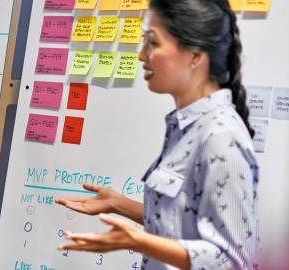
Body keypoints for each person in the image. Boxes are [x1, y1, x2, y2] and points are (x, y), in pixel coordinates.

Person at [55, 0, 259, 269]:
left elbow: (235, 260)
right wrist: (119, 204)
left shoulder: (220, 136)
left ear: (195, 55)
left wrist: (139, 241)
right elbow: (184, 222)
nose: (141, 55)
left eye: (153, 43)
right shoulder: (187, 126)